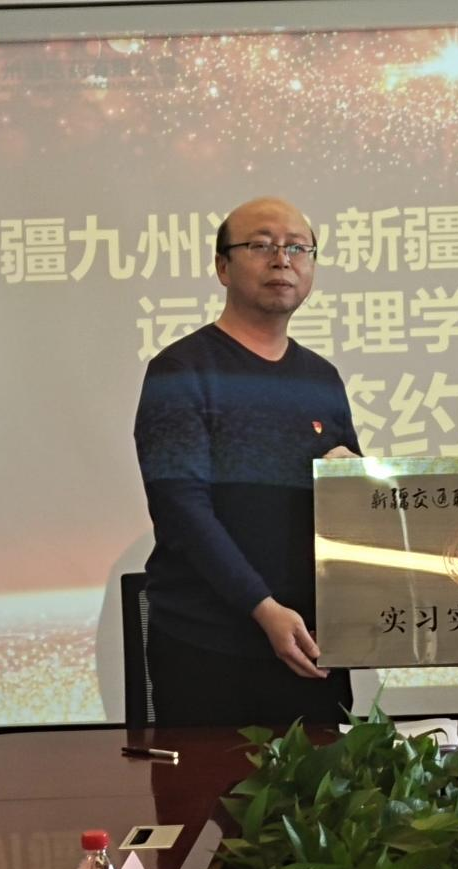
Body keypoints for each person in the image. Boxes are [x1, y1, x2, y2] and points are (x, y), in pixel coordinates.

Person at [133, 196, 359, 726]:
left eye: (297, 247)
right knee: (210, 783)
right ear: (222, 267)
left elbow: (350, 508)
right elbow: (182, 510)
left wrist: (355, 478)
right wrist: (264, 608)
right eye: (261, 244)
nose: (282, 259)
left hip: (313, 648)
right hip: (210, 651)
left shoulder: (321, 379)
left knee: (325, 781)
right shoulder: (182, 370)